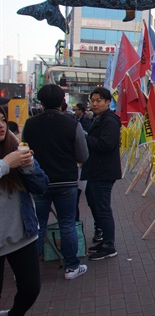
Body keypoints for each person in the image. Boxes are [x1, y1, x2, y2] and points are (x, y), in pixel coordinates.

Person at [21, 84, 89, 280]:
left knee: (38, 225)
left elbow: (25, 153)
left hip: (38, 181)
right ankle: (71, 267)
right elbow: (83, 155)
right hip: (66, 181)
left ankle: (27, 272)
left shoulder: (30, 124)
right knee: (67, 223)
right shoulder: (72, 124)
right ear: (62, 101)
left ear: (40, 101)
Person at [0, 106, 49, 316]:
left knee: (30, 289)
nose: (1, 125)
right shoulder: (8, 159)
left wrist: (28, 167)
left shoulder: (15, 146)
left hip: (22, 235)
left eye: (2, 119)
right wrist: (4, 165)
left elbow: (41, 187)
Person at [82, 87, 122, 261]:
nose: (95, 103)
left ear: (108, 102)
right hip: (96, 170)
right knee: (96, 204)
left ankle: (109, 245)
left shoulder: (110, 121)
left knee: (103, 208)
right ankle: (104, 240)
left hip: (104, 172)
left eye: (99, 100)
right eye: (93, 100)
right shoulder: (101, 119)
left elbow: (106, 144)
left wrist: (85, 138)